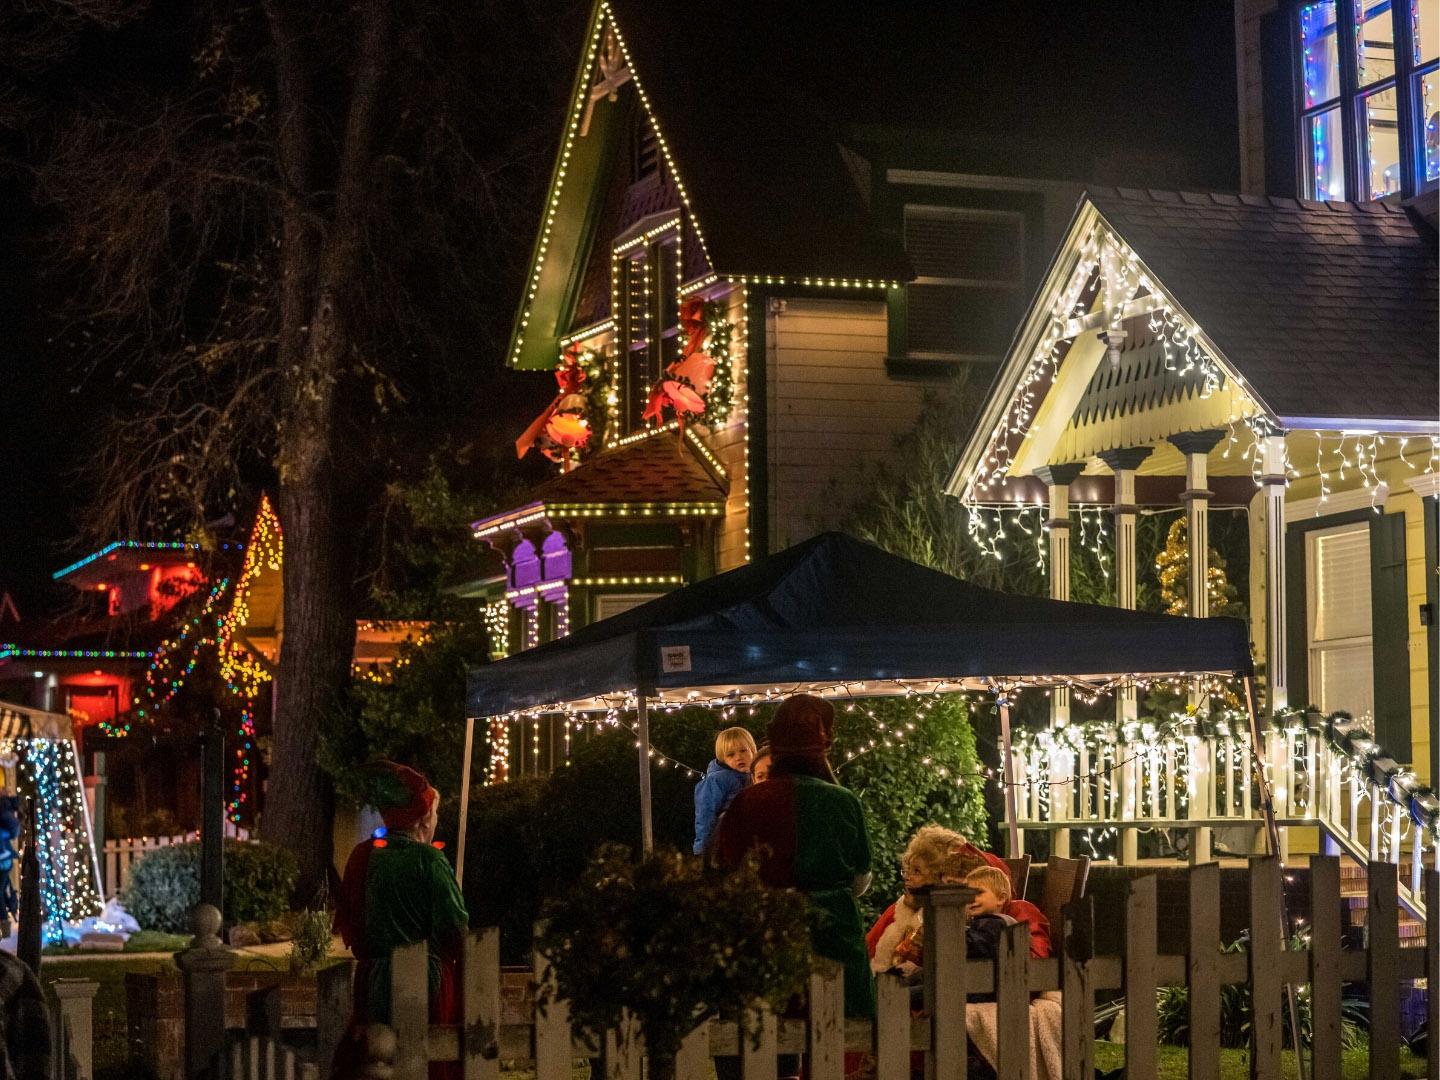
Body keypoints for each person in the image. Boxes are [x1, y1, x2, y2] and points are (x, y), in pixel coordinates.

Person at [714, 695, 874, 1018]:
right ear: (824, 742)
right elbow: (860, 879)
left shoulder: (746, 803)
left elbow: (725, 874)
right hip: (835, 942)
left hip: (765, 943)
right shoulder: (844, 802)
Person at [333, 761, 469, 1080]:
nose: (436, 820)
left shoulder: (362, 856)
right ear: (422, 818)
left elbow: (352, 926)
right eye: (435, 813)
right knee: (424, 1060)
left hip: (374, 981)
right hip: (426, 981)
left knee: (377, 1061)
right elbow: (456, 930)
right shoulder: (429, 860)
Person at [693, 726, 756, 854]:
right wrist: (703, 848)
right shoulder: (717, 780)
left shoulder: (755, 775)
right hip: (725, 839)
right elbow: (705, 814)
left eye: (743, 751)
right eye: (731, 755)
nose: (739, 757)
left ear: (753, 751)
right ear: (723, 759)